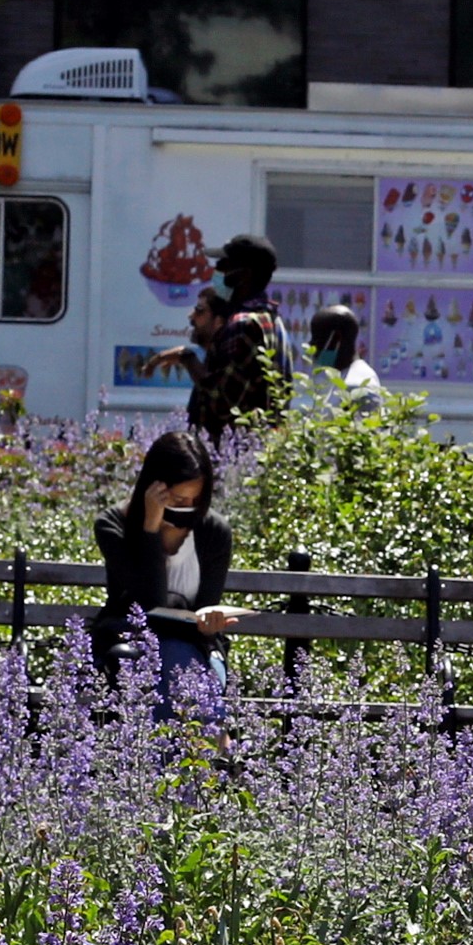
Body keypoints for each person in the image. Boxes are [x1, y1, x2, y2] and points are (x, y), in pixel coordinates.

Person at [93, 428, 239, 710]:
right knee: (163, 663)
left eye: (195, 502)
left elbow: (207, 608)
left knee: (180, 662)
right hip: (130, 643)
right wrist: (150, 528)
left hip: (195, 648)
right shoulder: (112, 525)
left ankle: (196, 744)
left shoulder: (214, 531)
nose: (187, 510)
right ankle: (205, 744)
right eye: (177, 501)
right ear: (153, 488)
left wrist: (210, 625)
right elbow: (148, 603)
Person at [144, 235, 294, 439]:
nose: (217, 273)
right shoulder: (274, 321)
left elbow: (222, 403)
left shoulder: (243, 325)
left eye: (223, 265)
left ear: (244, 275)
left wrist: (187, 358)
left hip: (237, 456)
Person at [307, 304, 381, 406]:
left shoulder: (357, 387)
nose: (311, 344)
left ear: (337, 338)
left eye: (317, 339)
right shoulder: (342, 376)